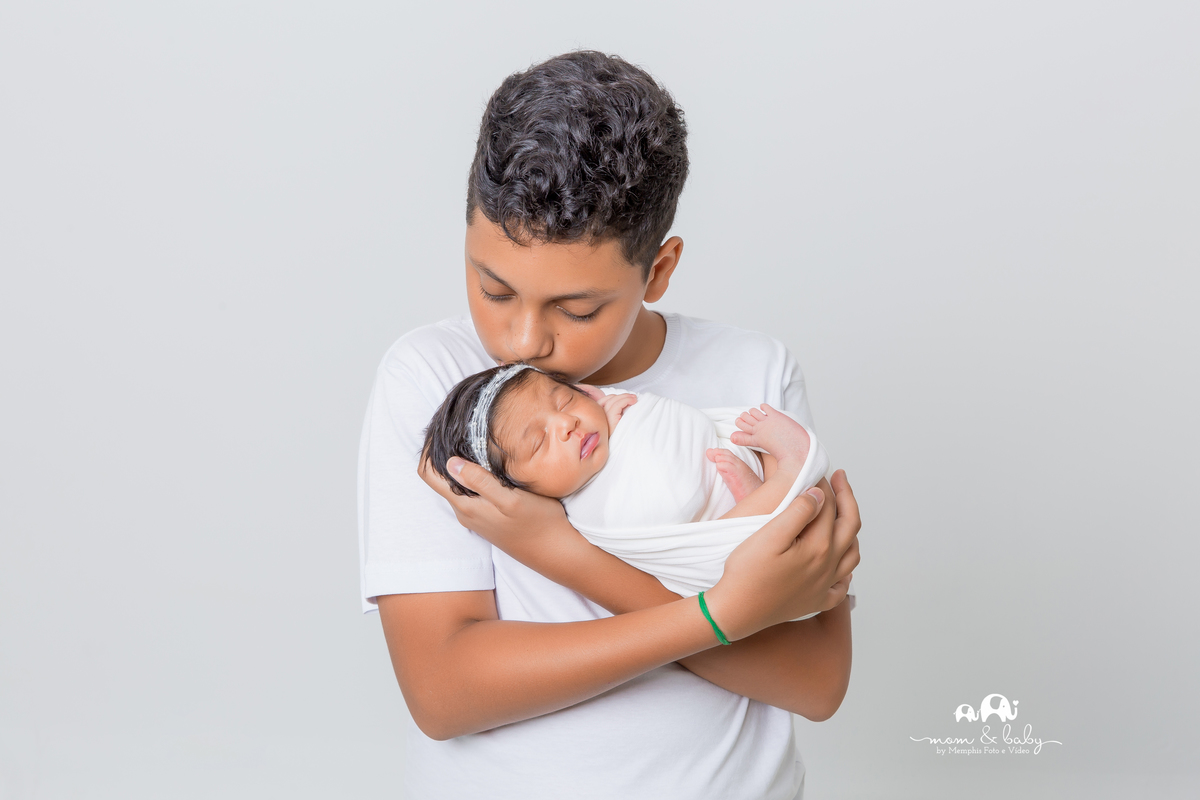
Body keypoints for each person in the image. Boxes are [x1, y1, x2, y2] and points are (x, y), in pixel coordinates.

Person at [357, 50, 861, 800]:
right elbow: (444, 693)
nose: (523, 341)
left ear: (658, 271)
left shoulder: (753, 374)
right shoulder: (435, 383)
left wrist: (563, 555)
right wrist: (724, 615)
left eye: (578, 310)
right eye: (493, 288)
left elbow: (816, 681)